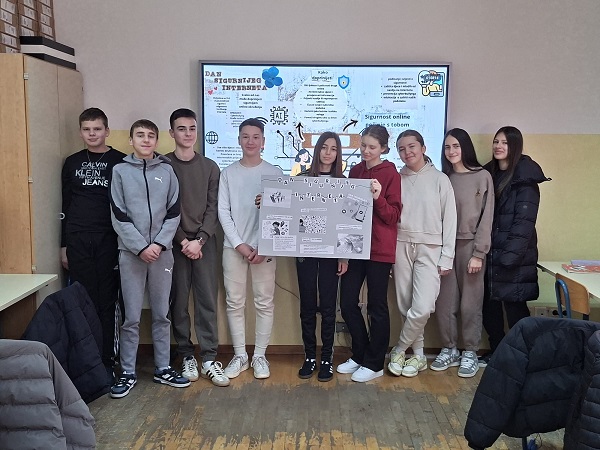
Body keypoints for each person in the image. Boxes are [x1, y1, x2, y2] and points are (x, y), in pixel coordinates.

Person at [109, 119, 189, 398]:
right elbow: (118, 214)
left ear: (157, 140)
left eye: (151, 136)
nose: (145, 140)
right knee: (131, 316)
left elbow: (174, 212)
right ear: (131, 140)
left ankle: (163, 368)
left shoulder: (167, 171)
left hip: (161, 255)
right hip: (131, 254)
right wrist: (140, 247)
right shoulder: (120, 171)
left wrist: (158, 244)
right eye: (140, 135)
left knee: (161, 314)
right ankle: (127, 371)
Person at [166, 108, 229, 387]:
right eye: (181, 129)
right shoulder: (162, 165)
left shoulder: (210, 167)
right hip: (174, 243)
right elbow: (163, 209)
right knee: (178, 301)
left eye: (192, 128)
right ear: (172, 133)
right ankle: (186, 354)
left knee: (206, 300)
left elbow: (213, 209)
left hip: (204, 244)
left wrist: (199, 240)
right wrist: (183, 241)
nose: (188, 133)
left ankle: (209, 358)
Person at [60, 107, 125, 377]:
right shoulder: (71, 162)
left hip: (109, 239)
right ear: (80, 132)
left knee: (107, 300)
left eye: (97, 129)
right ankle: (86, 361)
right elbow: (65, 205)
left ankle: (108, 360)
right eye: (87, 130)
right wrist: (63, 244)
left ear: (107, 131)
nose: (92, 134)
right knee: (82, 300)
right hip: (77, 239)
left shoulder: (120, 161)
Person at [218, 118, 283, 380]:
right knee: (234, 302)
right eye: (245, 136)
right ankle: (240, 356)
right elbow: (223, 212)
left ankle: (259, 356)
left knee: (264, 302)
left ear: (263, 141)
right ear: (238, 140)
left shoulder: (275, 173)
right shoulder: (228, 173)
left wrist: (264, 245)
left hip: (265, 249)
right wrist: (240, 245)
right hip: (234, 248)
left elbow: (282, 214)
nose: (250, 141)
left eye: (256, 137)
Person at [388, 129, 456, 378]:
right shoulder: (397, 179)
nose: (407, 152)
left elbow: (450, 219)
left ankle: (399, 349)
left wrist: (447, 256)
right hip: (401, 245)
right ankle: (418, 356)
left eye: (412, 146)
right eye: (401, 149)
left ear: (423, 148)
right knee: (405, 306)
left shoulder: (440, 179)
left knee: (423, 307)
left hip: (431, 248)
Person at [337, 125, 402, 382]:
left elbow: (393, 216)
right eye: (363, 145)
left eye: (372, 147)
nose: (366, 151)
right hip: (355, 247)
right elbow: (348, 211)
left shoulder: (391, 174)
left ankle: (375, 363)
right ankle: (361, 354)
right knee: (347, 302)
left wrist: (378, 197)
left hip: (380, 249)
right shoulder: (355, 171)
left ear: (383, 148)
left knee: (377, 306)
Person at [480, 126, 549, 365]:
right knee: (489, 307)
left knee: (515, 310)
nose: (498, 146)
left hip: (514, 258)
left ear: (515, 146)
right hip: (490, 255)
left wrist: (509, 258)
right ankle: (497, 352)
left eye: (505, 143)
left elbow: (524, 223)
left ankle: (522, 358)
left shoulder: (525, 179)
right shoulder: (489, 174)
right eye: (496, 141)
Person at [431, 128, 494, 378]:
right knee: (444, 303)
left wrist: (479, 253)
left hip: (471, 247)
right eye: (447, 147)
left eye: (456, 146)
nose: (451, 151)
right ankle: (449, 348)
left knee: (471, 304)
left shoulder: (483, 177)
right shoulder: (443, 178)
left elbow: (487, 218)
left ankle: (470, 351)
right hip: (444, 247)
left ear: (465, 147)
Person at [295, 132, 348, 382]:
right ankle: (309, 356)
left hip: (332, 253)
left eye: (333, 149)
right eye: (324, 148)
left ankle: (327, 358)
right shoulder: (302, 179)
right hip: (305, 252)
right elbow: (289, 210)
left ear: (338, 154)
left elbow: (347, 223)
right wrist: (268, 203)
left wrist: (344, 257)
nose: (328, 153)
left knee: (328, 307)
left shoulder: (344, 182)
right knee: (307, 305)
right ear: (317, 150)